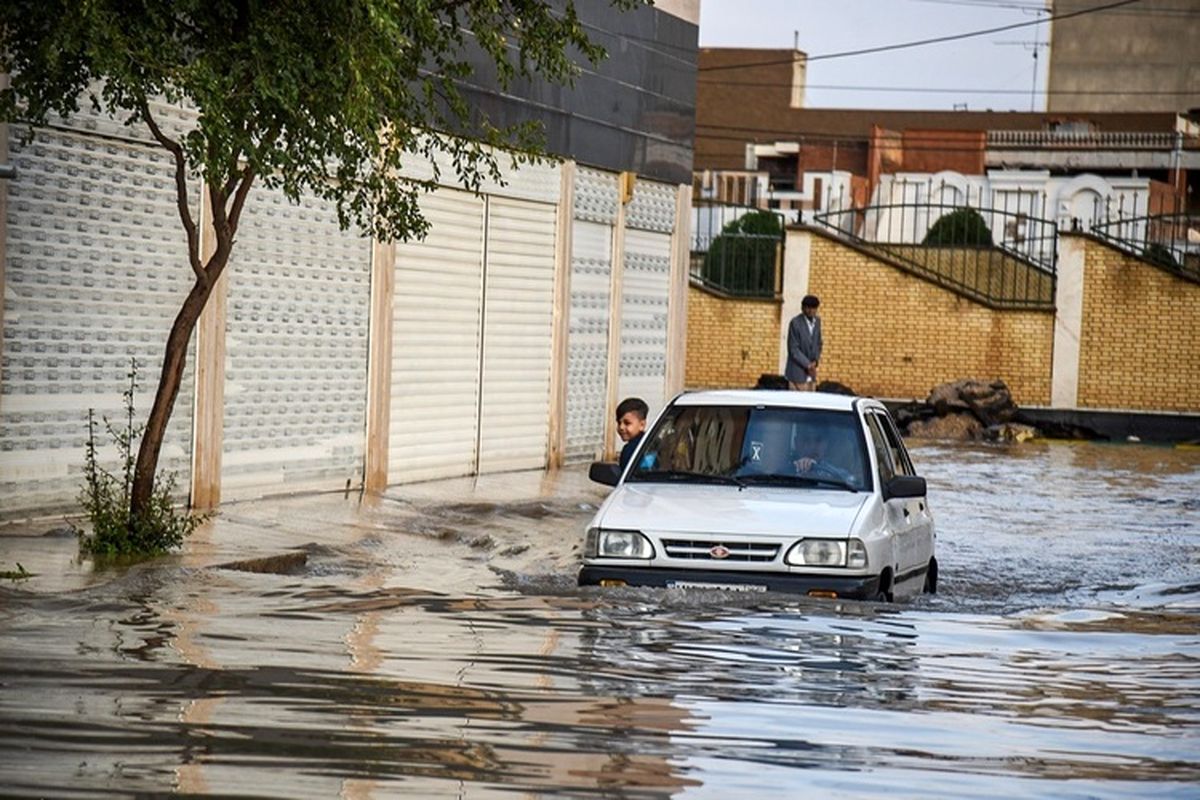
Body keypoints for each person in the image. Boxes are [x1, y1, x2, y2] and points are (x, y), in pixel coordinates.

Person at [785, 294, 822, 391]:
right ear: (802, 308)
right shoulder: (795, 323)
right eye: (808, 308)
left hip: (811, 373)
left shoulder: (817, 322)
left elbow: (818, 343)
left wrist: (815, 360)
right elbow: (793, 349)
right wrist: (807, 364)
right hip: (797, 372)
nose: (811, 311)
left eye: (813, 308)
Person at [616, 397, 648, 470]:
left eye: (627, 423)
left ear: (642, 425)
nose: (621, 427)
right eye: (619, 422)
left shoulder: (631, 449)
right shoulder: (652, 442)